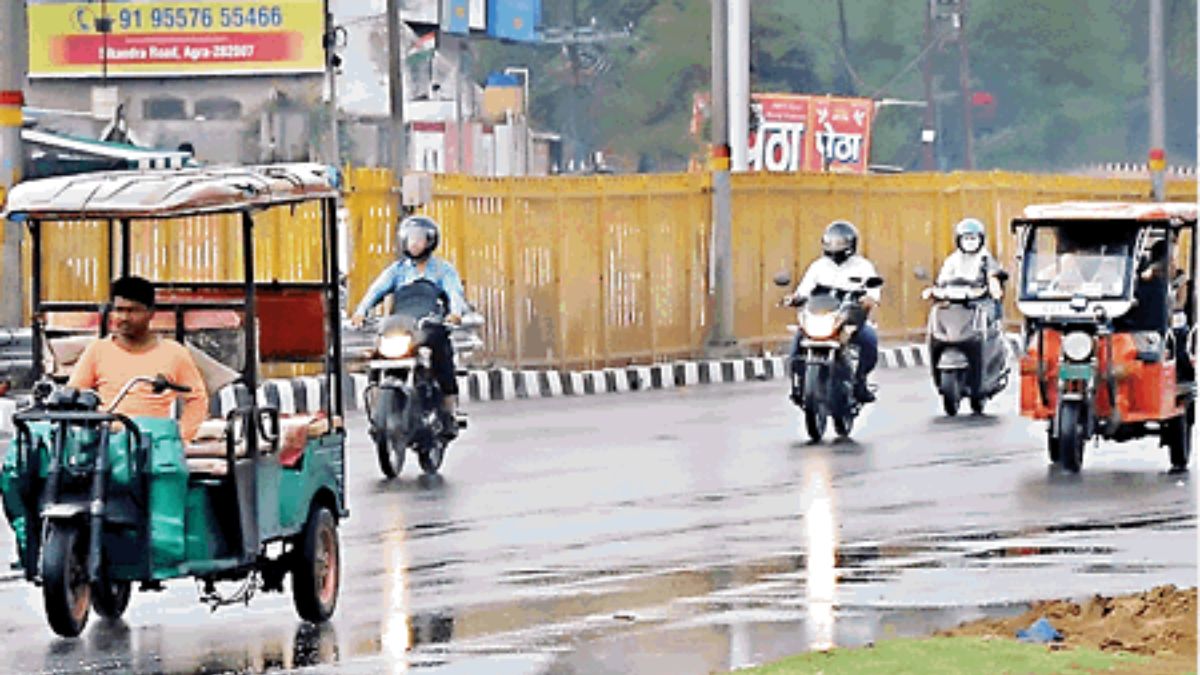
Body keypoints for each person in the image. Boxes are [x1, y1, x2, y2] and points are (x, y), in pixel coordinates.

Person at [350, 215, 468, 438]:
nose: (414, 243)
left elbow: (454, 293)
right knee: (377, 356)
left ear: (430, 241)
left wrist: (455, 313)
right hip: (401, 325)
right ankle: (378, 413)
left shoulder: (442, 270)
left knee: (442, 355)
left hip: (429, 324)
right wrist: (360, 312)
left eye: (419, 239)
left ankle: (449, 410)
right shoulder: (397, 270)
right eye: (410, 238)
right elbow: (375, 291)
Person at [67, 276, 209, 442]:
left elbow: (197, 399)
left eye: (133, 310)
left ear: (151, 313)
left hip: (153, 441)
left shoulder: (174, 353)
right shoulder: (97, 350)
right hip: (108, 440)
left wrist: (180, 438)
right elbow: (73, 395)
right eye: (119, 310)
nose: (124, 317)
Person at [786, 220, 881, 403]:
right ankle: (799, 385)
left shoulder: (862, 266)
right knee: (797, 343)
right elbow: (803, 290)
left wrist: (869, 299)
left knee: (869, 341)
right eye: (832, 241)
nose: (836, 246)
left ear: (851, 243)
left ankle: (860, 382)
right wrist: (794, 298)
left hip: (849, 318)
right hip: (821, 316)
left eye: (841, 242)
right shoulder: (818, 266)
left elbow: (873, 291)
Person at [934, 217, 1005, 321]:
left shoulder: (986, 259)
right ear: (959, 240)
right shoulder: (952, 260)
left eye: (973, 239)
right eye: (966, 239)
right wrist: (937, 289)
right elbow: (942, 279)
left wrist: (996, 295)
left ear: (980, 240)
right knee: (937, 311)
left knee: (985, 316)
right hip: (953, 300)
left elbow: (993, 279)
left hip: (979, 300)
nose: (970, 242)